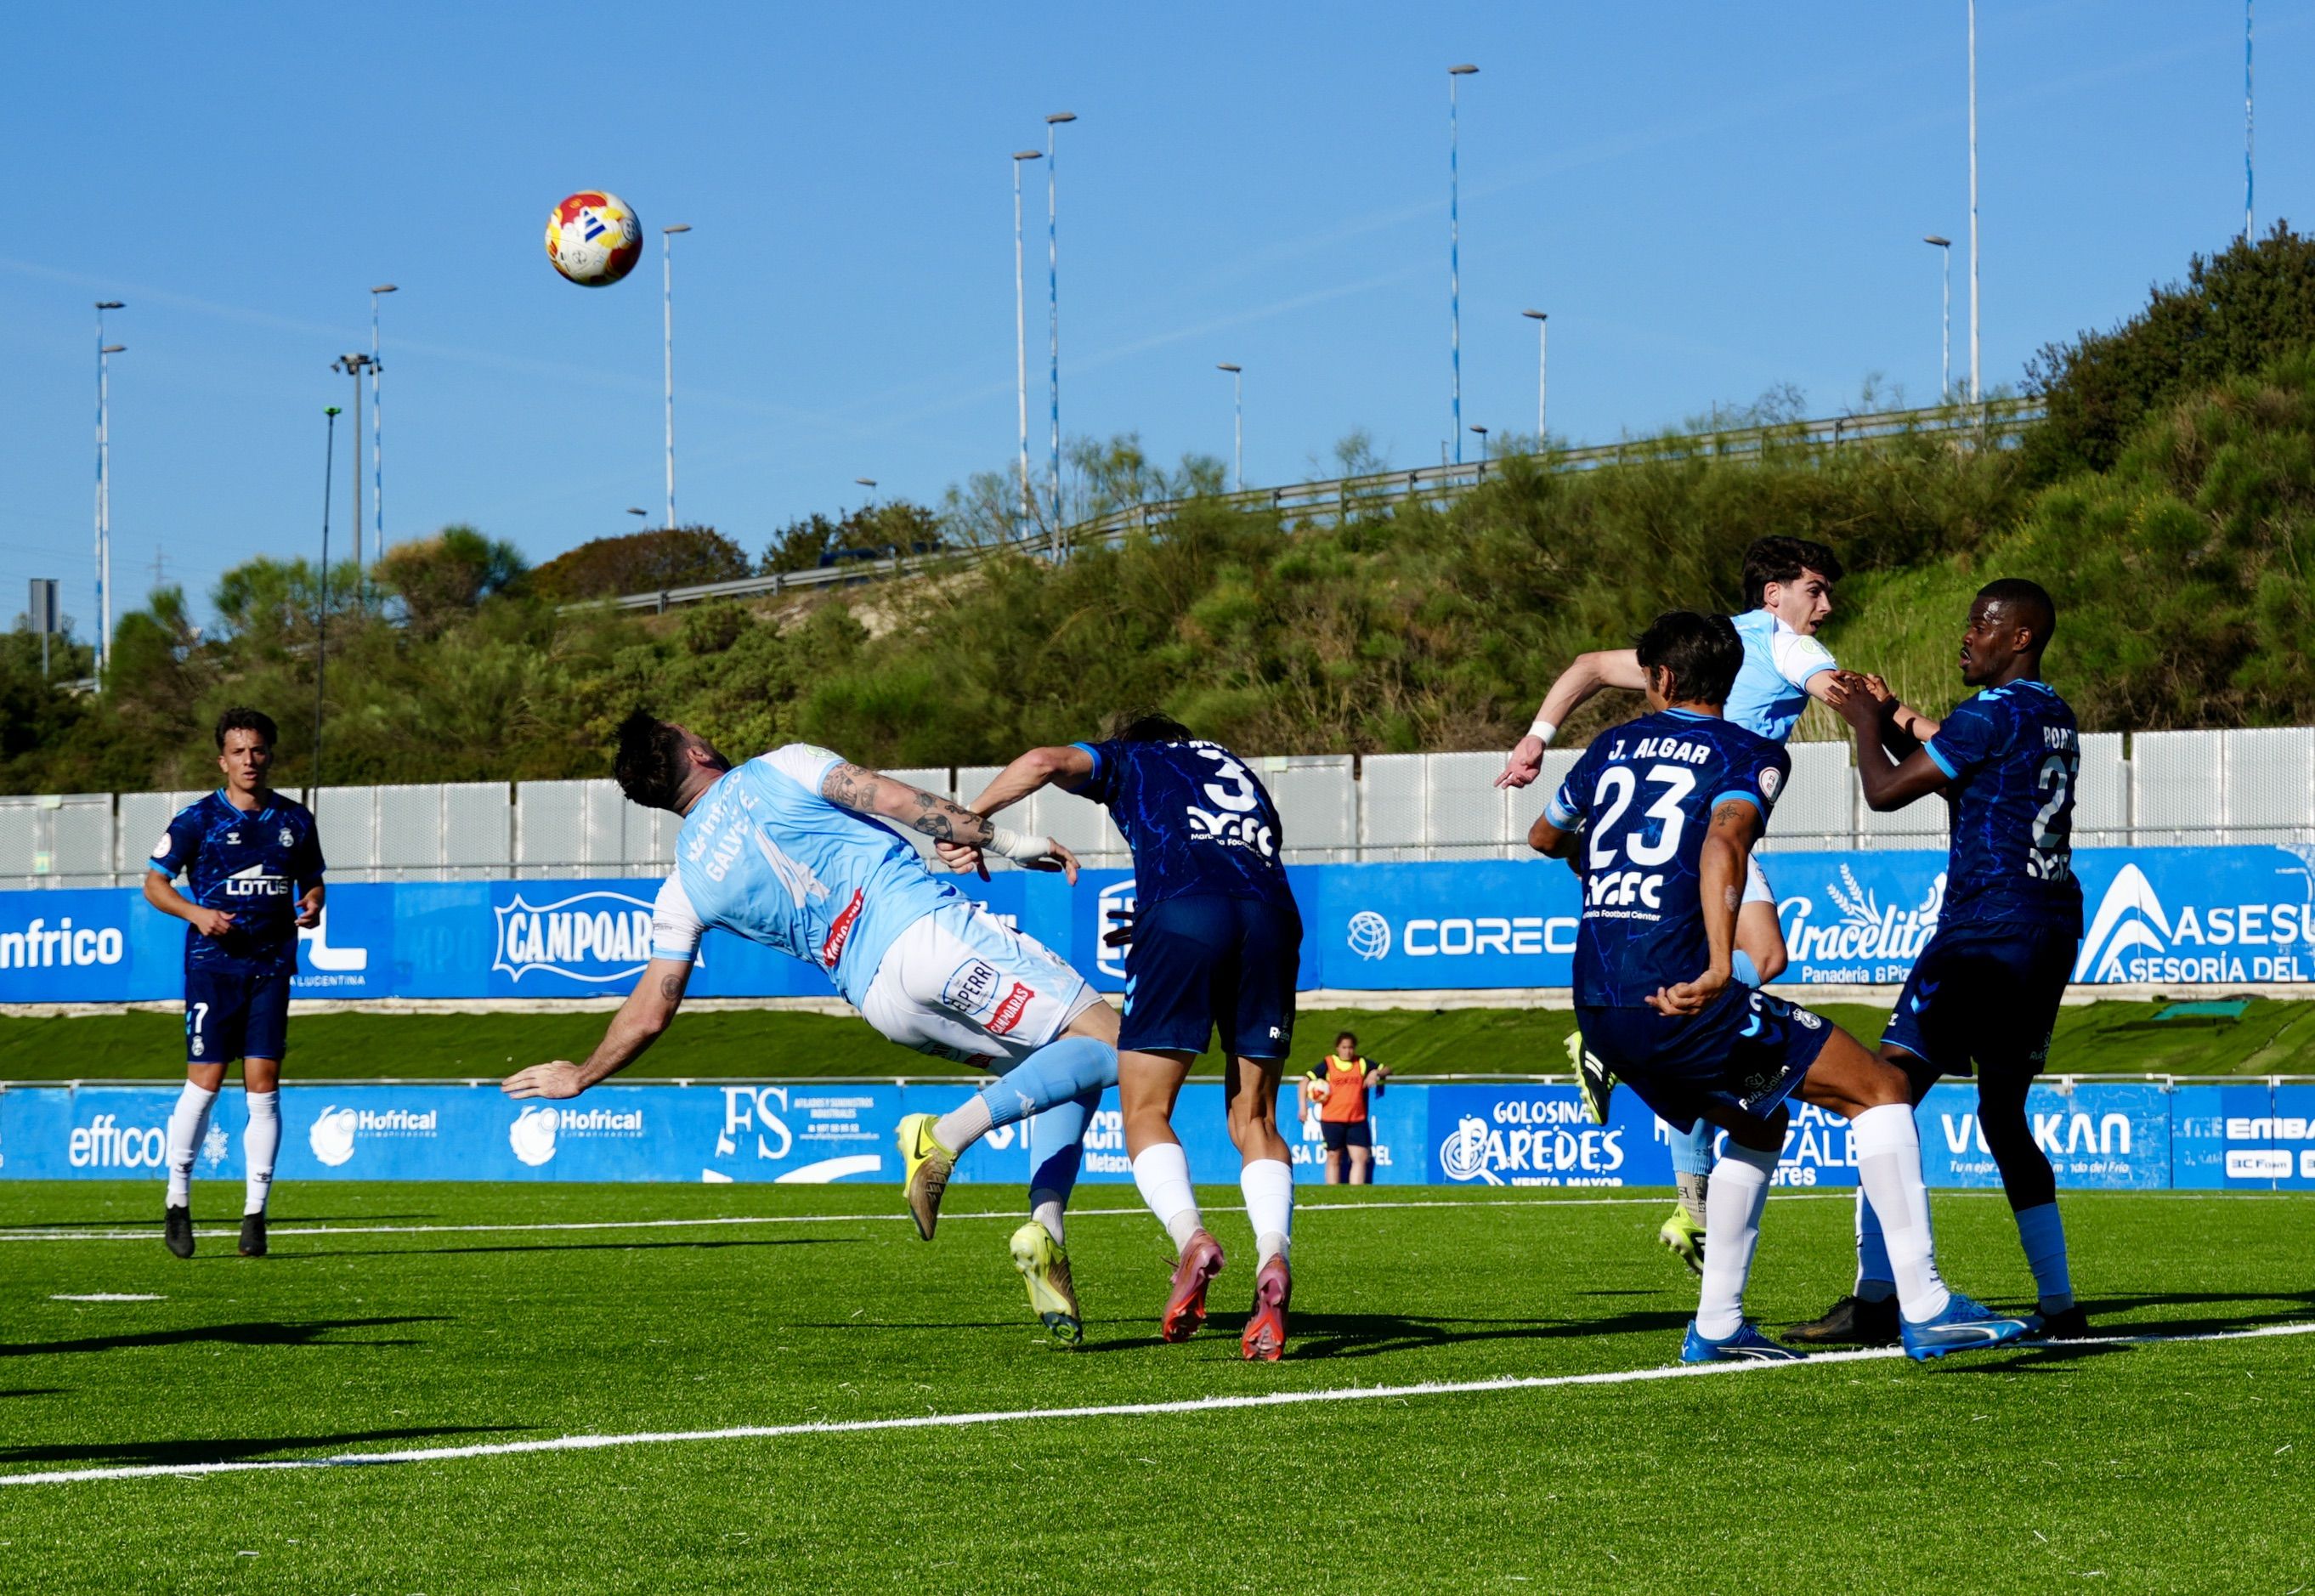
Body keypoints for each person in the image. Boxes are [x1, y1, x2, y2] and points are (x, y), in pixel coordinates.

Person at [501, 712, 1120, 1345]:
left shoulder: (682, 888)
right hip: (931, 935)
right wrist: (1013, 844)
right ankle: (942, 1136)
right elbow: (904, 803)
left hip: (882, 1001)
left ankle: (1047, 1233)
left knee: (1063, 1071)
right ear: (692, 748)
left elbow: (651, 1009)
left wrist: (582, 1074)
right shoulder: (781, 766)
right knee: (1126, 1045)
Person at [1526, 610, 2034, 1362]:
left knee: (1758, 1121)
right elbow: (1725, 840)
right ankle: (1926, 1306)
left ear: (1659, 679)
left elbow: (1544, 837)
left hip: (1601, 1004)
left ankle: (1720, 1326)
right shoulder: (1748, 750)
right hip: (1685, 999)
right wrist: (1717, 965)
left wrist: (1595, 852)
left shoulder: (1608, 748)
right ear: (1730, 683)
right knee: (1881, 1091)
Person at [1498, 535, 1932, 1276]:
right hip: (1716, 826)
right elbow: (1855, 699)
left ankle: (1684, 1168)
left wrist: (1537, 741)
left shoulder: (1697, 648)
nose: (1825, 606)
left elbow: (1584, 670)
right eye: (1815, 589)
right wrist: (1940, 743)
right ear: (1774, 595)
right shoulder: (1787, 647)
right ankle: (1702, 1196)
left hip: (1689, 835)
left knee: (1765, 960)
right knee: (1729, 991)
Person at [938, 714, 1305, 1361]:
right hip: (1273, 917)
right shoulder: (1238, 770)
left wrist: (971, 822)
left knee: (1144, 1108)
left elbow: (1044, 759)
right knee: (1256, 1115)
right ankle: (1272, 1259)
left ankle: (1192, 1237)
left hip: (1185, 911)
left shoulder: (1136, 760)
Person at [1791, 579, 2089, 1345]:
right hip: (2048, 928)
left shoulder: (1989, 714)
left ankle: (1876, 1297)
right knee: (2002, 1114)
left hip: (1983, 930)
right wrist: (1891, 713)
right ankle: (2059, 1303)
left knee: (1880, 1094)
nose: (1967, 636)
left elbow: (1890, 790)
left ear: (2019, 637)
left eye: (1982, 625)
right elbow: (1950, 760)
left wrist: (1862, 722)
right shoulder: (2051, 712)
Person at [145, 708, 325, 1260]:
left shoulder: (295, 820)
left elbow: (312, 882)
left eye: (259, 750)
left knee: (264, 1086)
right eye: (239, 752)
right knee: (204, 1084)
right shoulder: (198, 820)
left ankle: (255, 1216)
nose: (250, 760)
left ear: (270, 754)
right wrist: (197, 914)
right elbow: (155, 884)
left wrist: (313, 904)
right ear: (222, 759)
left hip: (271, 967)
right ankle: (178, 1201)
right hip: (213, 968)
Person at [1300, 1031, 1389, 1184]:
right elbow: (1304, 1082)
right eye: (1344, 1047)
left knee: (1360, 1157)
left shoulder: (1361, 1063)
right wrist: (1303, 1107)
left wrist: (1376, 1073)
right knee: (1333, 1156)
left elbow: (1387, 1069)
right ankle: (1332, 1193)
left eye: (1350, 1048)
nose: (1347, 1051)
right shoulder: (1328, 1064)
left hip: (1356, 1119)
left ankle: (1356, 1194)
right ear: (1337, 1048)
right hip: (1332, 1119)